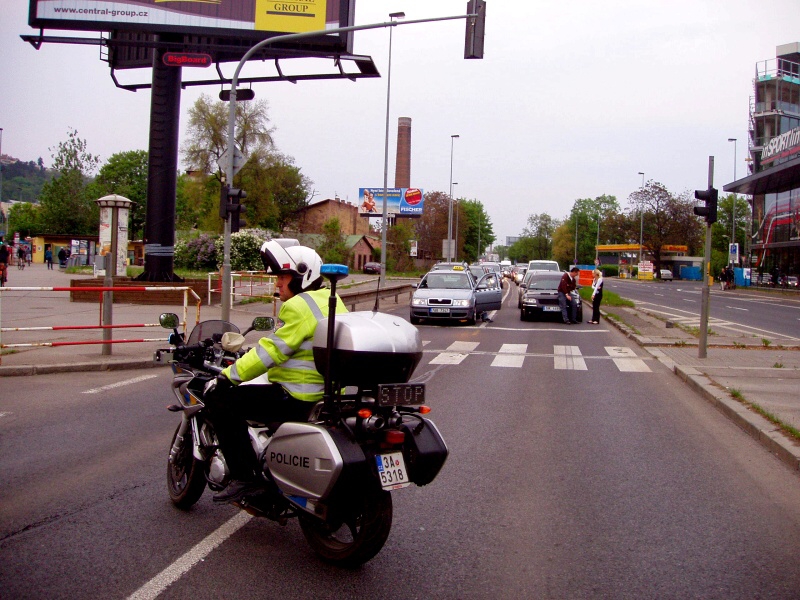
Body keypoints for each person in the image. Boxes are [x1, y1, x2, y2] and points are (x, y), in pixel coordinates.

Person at [207, 240, 347, 503]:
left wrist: (228, 375)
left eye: (283, 277)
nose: (278, 284)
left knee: (221, 400)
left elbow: (271, 351)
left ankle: (244, 478)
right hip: (325, 395)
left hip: (297, 397)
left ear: (303, 276)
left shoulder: (298, 306)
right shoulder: (332, 301)